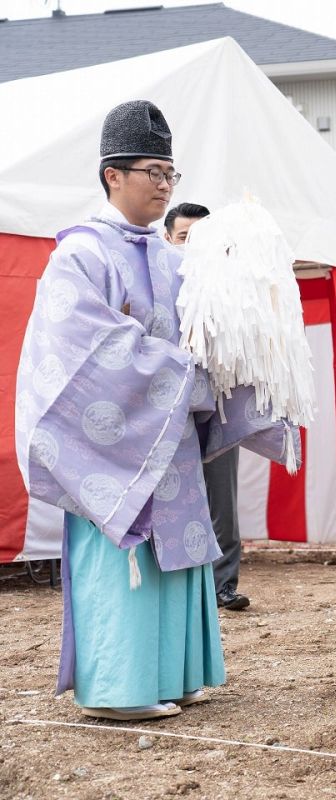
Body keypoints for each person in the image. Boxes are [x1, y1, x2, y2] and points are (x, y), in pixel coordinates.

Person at [14, 100, 297, 721]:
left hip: (170, 437)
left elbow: (205, 333)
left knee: (182, 552)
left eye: (171, 173)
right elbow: (81, 348)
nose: (166, 185)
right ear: (112, 174)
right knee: (126, 555)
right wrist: (178, 372)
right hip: (110, 442)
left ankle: (176, 673)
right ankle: (118, 687)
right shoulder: (79, 255)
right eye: (152, 172)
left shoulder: (174, 258)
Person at [165, 203, 249, 612]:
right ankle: (175, 588)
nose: (193, 248)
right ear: (168, 240)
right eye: (185, 239)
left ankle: (223, 585)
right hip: (166, 409)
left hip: (216, 404)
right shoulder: (156, 282)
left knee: (222, 496)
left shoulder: (227, 289)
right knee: (169, 496)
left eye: (201, 240)